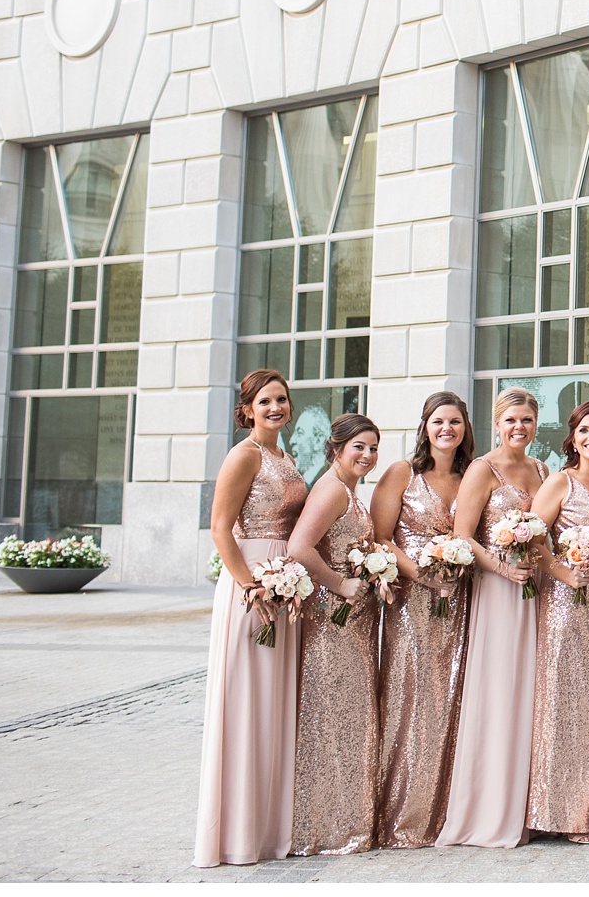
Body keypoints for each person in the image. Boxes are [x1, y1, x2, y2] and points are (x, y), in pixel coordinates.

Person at [193, 369, 308, 868]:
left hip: (288, 587)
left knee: (273, 704)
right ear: (247, 410)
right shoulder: (243, 457)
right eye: (265, 401)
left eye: (282, 399)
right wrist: (249, 584)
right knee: (245, 702)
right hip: (252, 587)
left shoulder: (284, 456)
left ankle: (267, 827)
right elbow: (220, 528)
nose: (276, 407)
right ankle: (236, 834)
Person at [434, 387, 548, 849]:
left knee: (529, 692)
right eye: (510, 420)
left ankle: (524, 807)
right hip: (498, 592)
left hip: (536, 591)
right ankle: (487, 808)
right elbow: (463, 536)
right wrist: (503, 568)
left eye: (526, 420)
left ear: (536, 424)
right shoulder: (482, 469)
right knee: (499, 691)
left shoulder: (542, 470)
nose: (518, 428)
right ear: (496, 423)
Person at [370, 391, 474, 848]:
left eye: (454, 421)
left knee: (452, 703)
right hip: (413, 603)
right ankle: (402, 816)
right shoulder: (402, 474)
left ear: (465, 428)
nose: (446, 429)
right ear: (425, 427)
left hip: (460, 601)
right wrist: (424, 574)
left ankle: (446, 813)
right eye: (438, 421)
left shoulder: (473, 476)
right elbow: (379, 537)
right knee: (411, 702)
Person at [287, 413, 384, 857]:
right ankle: (325, 828)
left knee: (350, 716)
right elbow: (299, 547)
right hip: (333, 622)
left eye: (372, 447)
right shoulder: (330, 489)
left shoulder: (349, 489)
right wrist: (340, 582)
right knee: (333, 717)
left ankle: (348, 821)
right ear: (336, 449)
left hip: (355, 622)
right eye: (358, 447)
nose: (367, 455)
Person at [526, 400, 589, 841]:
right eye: (585, 430)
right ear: (573, 437)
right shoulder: (559, 482)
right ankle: (555, 812)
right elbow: (529, 536)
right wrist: (563, 571)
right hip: (566, 604)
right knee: (563, 702)